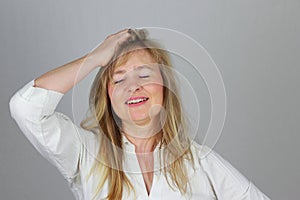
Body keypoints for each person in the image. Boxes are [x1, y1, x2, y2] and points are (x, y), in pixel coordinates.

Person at [9, 28, 270, 200]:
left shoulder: (199, 161)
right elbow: (26, 109)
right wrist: (95, 59)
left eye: (144, 74)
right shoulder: (85, 152)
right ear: (108, 95)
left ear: (165, 87)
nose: (133, 86)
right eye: (119, 79)